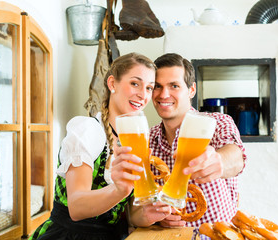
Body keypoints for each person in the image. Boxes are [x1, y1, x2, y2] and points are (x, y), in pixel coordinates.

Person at [29, 53, 171, 240]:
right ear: (112, 84)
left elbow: (133, 215)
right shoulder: (87, 130)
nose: (143, 95)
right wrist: (118, 189)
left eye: (149, 87)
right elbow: (77, 207)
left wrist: (151, 214)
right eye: (135, 83)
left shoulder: (133, 139)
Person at [150, 53, 247, 228]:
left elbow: (236, 158)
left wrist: (220, 161)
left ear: (191, 90)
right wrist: (155, 216)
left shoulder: (217, 122)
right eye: (157, 86)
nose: (164, 94)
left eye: (174, 86)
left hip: (217, 235)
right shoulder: (148, 139)